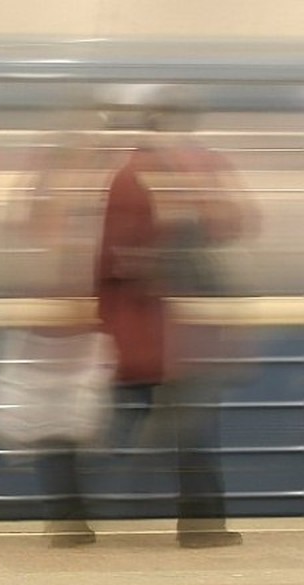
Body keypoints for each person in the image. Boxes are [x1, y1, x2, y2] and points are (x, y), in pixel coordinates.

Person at [95, 100, 256, 548]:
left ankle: (196, 522)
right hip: (167, 333)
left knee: (174, 425)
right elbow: (127, 256)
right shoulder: (145, 176)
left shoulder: (154, 172)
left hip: (165, 332)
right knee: (181, 427)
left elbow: (229, 226)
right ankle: (190, 521)